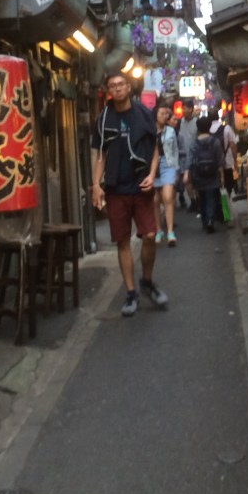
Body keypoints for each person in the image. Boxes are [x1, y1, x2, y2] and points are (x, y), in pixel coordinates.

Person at [91, 74, 168, 317]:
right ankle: (131, 292)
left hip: (141, 186)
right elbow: (100, 155)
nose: (117, 88)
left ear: (128, 87)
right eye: (112, 86)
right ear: (108, 90)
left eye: (121, 84)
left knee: (150, 235)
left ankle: (146, 280)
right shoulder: (103, 119)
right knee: (122, 241)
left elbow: (155, 149)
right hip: (115, 188)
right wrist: (96, 185)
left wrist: (152, 173)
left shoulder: (144, 114)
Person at [185, 116, 224, 233]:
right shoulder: (215, 142)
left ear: (197, 128)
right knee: (211, 196)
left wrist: (187, 174)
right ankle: (210, 220)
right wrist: (221, 176)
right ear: (210, 127)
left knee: (201, 197)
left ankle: (204, 220)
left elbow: (190, 159)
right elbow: (220, 160)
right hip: (212, 174)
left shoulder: (194, 143)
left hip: (198, 175)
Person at [153, 102, 179, 246]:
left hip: (167, 165)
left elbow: (175, 150)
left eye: (166, 114)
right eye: (161, 114)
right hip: (153, 166)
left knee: (168, 197)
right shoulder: (149, 131)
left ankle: (170, 232)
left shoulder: (171, 131)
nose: (164, 116)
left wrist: (176, 169)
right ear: (155, 116)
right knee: (155, 200)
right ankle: (158, 230)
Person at [209, 108, 239, 198]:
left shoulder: (206, 130)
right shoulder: (226, 128)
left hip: (212, 165)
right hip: (227, 164)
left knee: (214, 190)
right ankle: (227, 205)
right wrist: (235, 161)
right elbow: (233, 145)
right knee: (228, 187)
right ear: (218, 116)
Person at [176, 98, 198, 212]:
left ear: (191, 109)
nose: (183, 110)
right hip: (184, 157)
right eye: (182, 108)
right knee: (187, 181)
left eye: (185, 108)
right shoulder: (180, 122)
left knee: (195, 181)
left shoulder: (196, 122)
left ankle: (198, 201)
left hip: (195, 157)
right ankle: (193, 201)